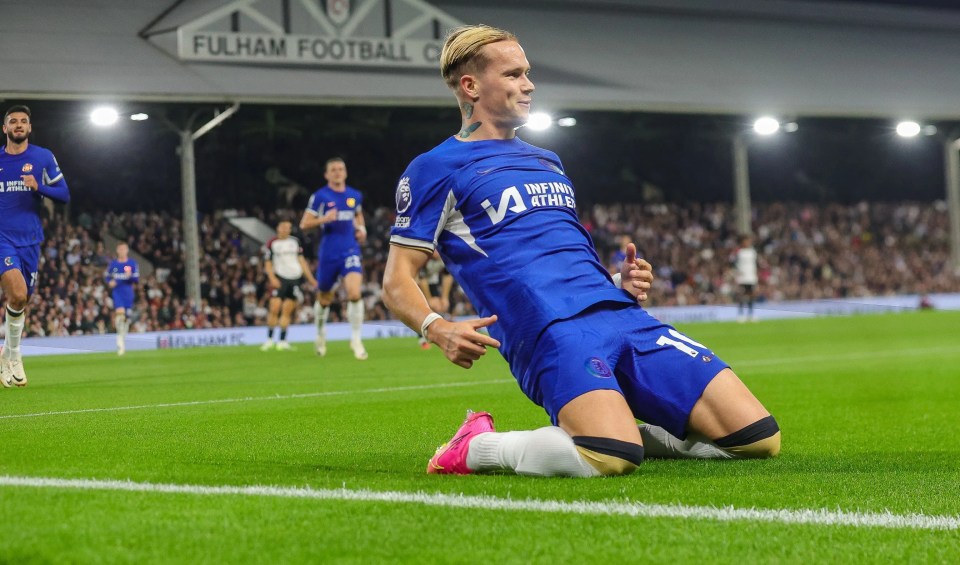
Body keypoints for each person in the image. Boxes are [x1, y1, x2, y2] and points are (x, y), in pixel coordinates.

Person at [382, 25, 780, 478]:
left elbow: (557, 254)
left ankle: (619, 427)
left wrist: (617, 283)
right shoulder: (435, 168)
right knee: (608, 457)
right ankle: (478, 445)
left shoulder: (546, 160)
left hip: (622, 316)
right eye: (513, 74)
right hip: (551, 331)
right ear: (471, 86)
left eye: (527, 73)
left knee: (758, 438)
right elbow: (396, 280)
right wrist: (437, 327)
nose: (528, 84)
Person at [0, 105, 70, 387]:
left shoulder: (43, 157)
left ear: (29, 128)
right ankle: (15, 355)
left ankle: (7, 354)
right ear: (4, 128)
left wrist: (38, 187)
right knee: (16, 291)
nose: (18, 125)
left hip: (30, 239)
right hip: (2, 238)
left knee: (21, 300)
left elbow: (64, 194)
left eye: (23, 122)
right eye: (13, 121)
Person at [299, 157, 369, 360]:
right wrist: (324, 219)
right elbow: (304, 224)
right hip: (329, 253)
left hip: (350, 250)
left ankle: (356, 339)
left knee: (354, 293)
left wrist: (362, 229)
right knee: (324, 298)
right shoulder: (320, 196)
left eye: (341, 169)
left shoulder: (354, 195)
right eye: (333, 170)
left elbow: (358, 215)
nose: (338, 172)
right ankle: (320, 332)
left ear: (345, 172)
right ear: (327, 174)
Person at [261, 219, 317, 351]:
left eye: (288, 227)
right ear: (278, 228)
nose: (286, 229)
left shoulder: (295, 242)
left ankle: (282, 341)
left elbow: (302, 261)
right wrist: (272, 278)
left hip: (295, 279)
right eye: (283, 227)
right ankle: (269, 340)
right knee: (274, 308)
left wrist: (311, 279)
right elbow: (268, 263)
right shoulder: (272, 243)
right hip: (280, 278)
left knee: (287, 310)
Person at [105, 241, 140, 355]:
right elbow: (107, 277)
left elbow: (136, 279)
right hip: (117, 293)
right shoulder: (113, 264)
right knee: (120, 314)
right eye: (120, 249)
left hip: (128, 293)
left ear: (127, 250)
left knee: (126, 320)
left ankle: (121, 338)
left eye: (124, 249)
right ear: (117, 251)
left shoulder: (132, 263)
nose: (122, 251)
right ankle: (119, 341)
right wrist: (110, 282)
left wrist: (127, 277)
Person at [416, 250, 454, 350]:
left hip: (432, 281)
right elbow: (421, 279)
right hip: (415, 282)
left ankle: (447, 332)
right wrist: (429, 299)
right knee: (422, 308)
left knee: (444, 305)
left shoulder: (445, 256)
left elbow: (448, 275)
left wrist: (444, 298)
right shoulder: (423, 258)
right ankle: (422, 339)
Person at [734, 235, 759, 322]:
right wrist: (737, 275)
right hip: (742, 277)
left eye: (748, 241)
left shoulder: (752, 252)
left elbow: (755, 265)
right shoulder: (740, 252)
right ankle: (741, 314)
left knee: (751, 295)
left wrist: (755, 276)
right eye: (745, 241)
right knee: (741, 295)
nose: (747, 243)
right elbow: (736, 265)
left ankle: (750, 314)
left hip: (751, 277)